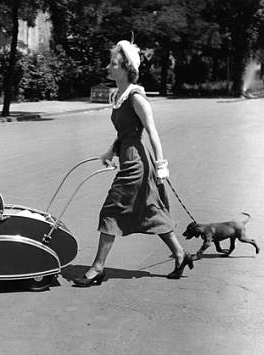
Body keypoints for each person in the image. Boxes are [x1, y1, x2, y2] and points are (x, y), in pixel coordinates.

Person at [73, 40, 194, 286]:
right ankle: (181, 254)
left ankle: (98, 268)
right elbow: (124, 132)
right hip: (127, 156)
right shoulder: (117, 95)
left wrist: (162, 167)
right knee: (151, 211)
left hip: (137, 164)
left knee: (111, 210)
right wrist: (110, 150)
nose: (108, 66)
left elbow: (152, 132)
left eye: (113, 63)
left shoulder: (136, 97)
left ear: (127, 68)